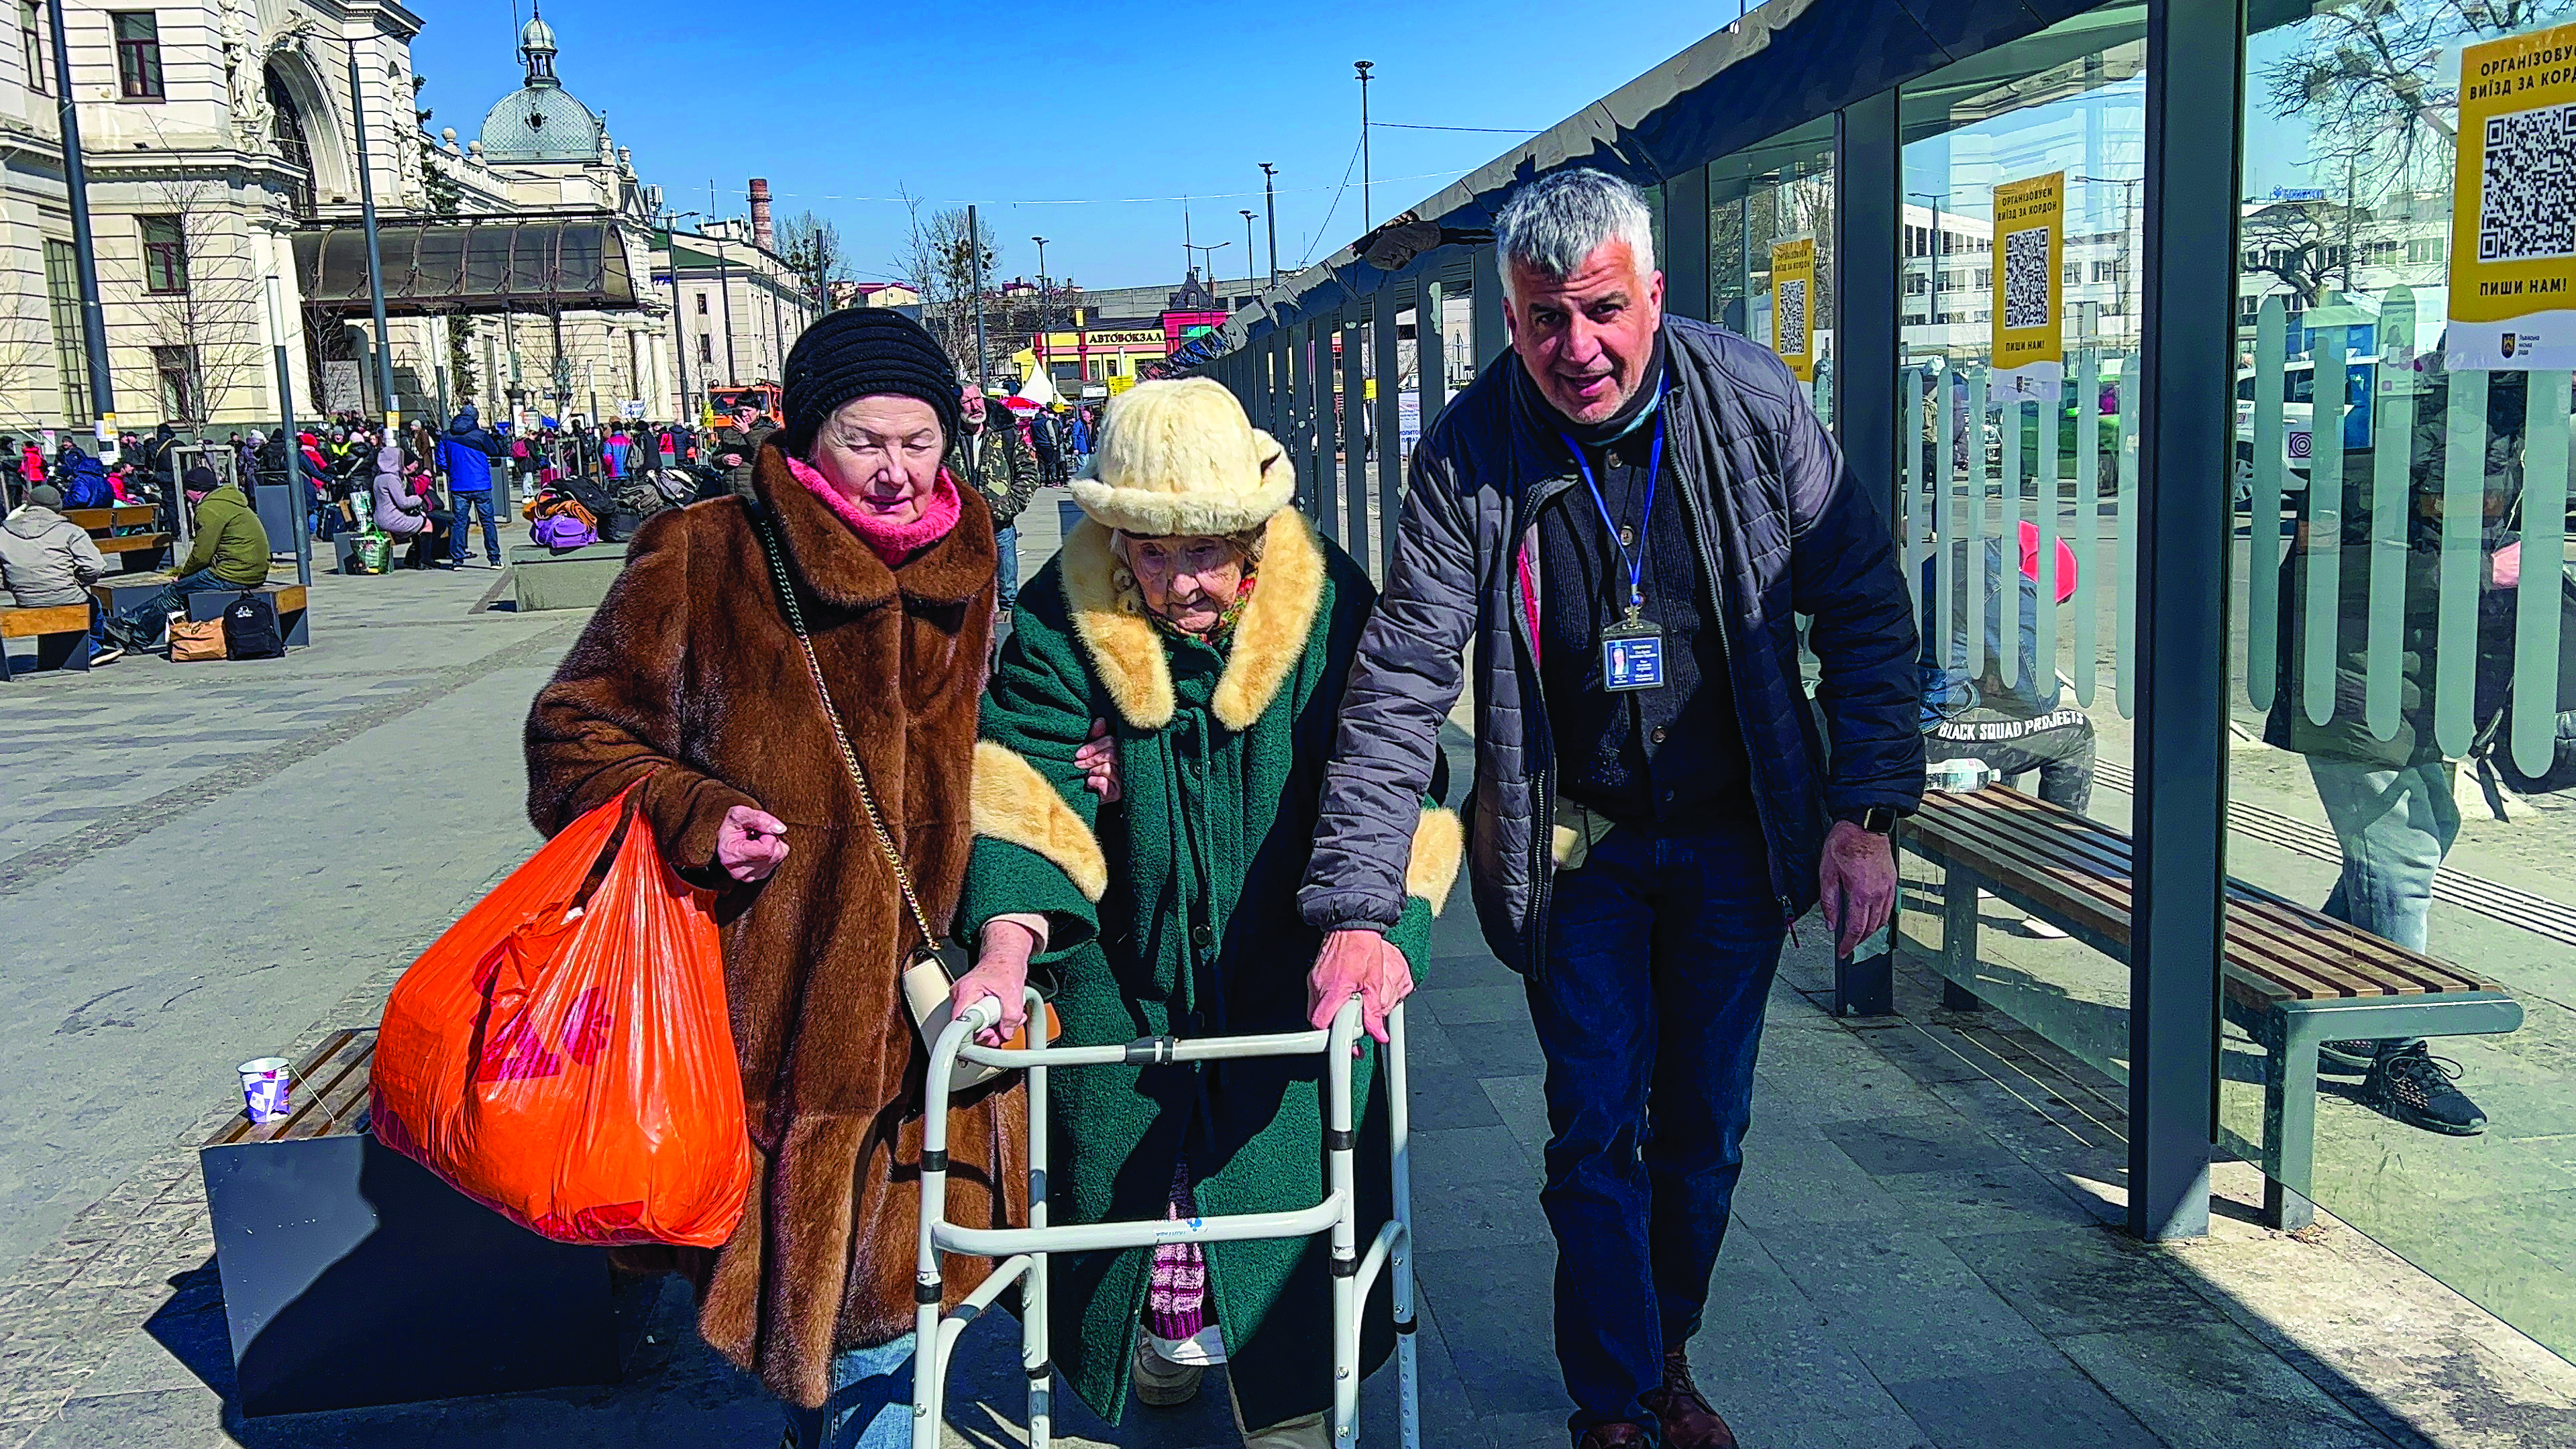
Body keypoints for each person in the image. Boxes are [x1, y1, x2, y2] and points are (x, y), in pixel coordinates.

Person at [1295, 169, 1922, 1449]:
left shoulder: (1749, 406)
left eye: (1599, 312)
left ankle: (1666, 1349)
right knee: (1593, 1123)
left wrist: (1864, 812)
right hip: (1572, 841)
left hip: (1738, 841)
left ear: (1652, 295)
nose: (1573, 349)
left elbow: (1861, 600)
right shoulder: (1471, 453)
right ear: (1510, 317)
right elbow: (1404, 673)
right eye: (1540, 321)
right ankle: (1617, 1400)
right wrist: (1359, 905)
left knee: (1704, 1129)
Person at [525, 307, 1014, 1449]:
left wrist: (1069, 760)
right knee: (835, 1322)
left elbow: (996, 731)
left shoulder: (974, 555)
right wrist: (698, 811)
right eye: (865, 442)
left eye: (919, 441)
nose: (898, 474)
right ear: (802, 438)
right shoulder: (706, 551)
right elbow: (572, 733)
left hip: (925, 1000)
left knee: (887, 1314)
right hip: (762, 1012)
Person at [951, 379, 1460, 1449]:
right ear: (1115, 538)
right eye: (1153, 552)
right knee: (1132, 1189)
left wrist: (1379, 935)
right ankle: (1156, 1339)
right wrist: (1004, 950)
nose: (1185, 582)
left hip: (1289, 948)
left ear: (1254, 539)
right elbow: (1020, 776)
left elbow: (1399, 774)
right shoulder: (1060, 611)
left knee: (1288, 1199)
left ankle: (1297, 1394)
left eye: (1209, 552)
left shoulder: (1326, 607)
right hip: (1125, 965)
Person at [104, 466, 270, 653]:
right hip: (252, 570)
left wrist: (183, 574)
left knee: (174, 592)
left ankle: (136, 638)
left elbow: (202, 553)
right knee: (178, 590)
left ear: (197, 490)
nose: (184, 494)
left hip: (233, 573)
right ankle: (127, 624)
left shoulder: (209, 508)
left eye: (186, 490)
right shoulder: (231, 502)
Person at [1, 482, 117, 665]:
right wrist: (78, 580)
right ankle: (93, 649)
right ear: (58, 507)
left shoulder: (4, 532)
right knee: (93, 603)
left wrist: (11, 584)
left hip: (25, 599)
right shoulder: (71, 531)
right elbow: (95, 566)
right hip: (66, 594)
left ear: (29, 504)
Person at [950, 385, 1041, 612]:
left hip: (1000, 525)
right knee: (968, 595)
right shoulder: (948, 438)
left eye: (977, 399)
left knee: (1008, 595)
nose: (975, 406)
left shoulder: (1006, 433)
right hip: (962, 528)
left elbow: (1029, 473)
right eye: (967, 402)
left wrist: (1007, 507)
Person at [437, 405, 502, 567]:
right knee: (488, 522)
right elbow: (494, 451)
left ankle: (457, 560)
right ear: (476, 418)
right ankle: (494, 559)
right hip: (481, 485)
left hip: (458, 486)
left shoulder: (446, 436)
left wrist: (453, 472)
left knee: (459, 523)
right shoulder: (480, 436)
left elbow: (441, 461)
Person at [372, 439, 450, 569]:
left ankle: (416, 557)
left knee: (420, 521)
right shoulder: (392, 479)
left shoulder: (379, 477)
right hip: (392, 519)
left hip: (380, 518)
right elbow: (403, 503)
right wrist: (417, 499)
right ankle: (425, 559)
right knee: (427, 524)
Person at [712, 398, 775, 495]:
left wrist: (747, 433)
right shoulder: (729, 433)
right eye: (740, 411)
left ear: (758, 411)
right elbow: (715, 459)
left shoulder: (768, 432)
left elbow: (767, 459)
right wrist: (724, 459)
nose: (744, 414)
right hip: (730, 493)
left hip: (755, 494)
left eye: (748, 410)